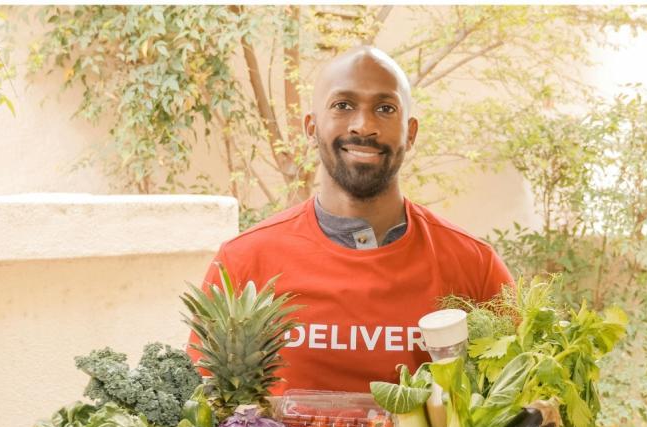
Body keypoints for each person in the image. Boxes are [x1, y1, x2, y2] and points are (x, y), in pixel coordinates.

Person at [188, 46, 514, 394]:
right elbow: (203, 409)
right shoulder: (244, 262)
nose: (364, 125)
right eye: (343, 105)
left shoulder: (474, 266)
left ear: (411, 132)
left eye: (385, 108)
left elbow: (523, 403)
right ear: (311, 127)